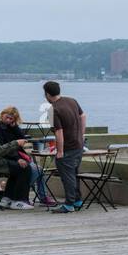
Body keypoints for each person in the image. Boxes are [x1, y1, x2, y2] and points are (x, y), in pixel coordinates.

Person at [0, 105, 58, 207]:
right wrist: (17, 158)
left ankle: (10, 192)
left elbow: (22, 138)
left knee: (38, 169)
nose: (8, 120)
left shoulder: (10, 127)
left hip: (15, 155)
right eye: (7, 117)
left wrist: (15, 127)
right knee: (35, 170)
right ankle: (14, 193)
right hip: (8, 157)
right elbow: (5, 147)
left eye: (11, 119)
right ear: (2, 114)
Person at [43, 80, 86, 213]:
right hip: (79, 144)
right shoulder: (72, 100)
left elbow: (58, 131)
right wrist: (81, 134)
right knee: (73, 173)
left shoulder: (53, 109)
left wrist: (60, 151)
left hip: (68, 146)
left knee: (67, 176)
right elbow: (83, 115)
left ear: (47, 94)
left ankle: (69, 204)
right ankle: (77, 200)